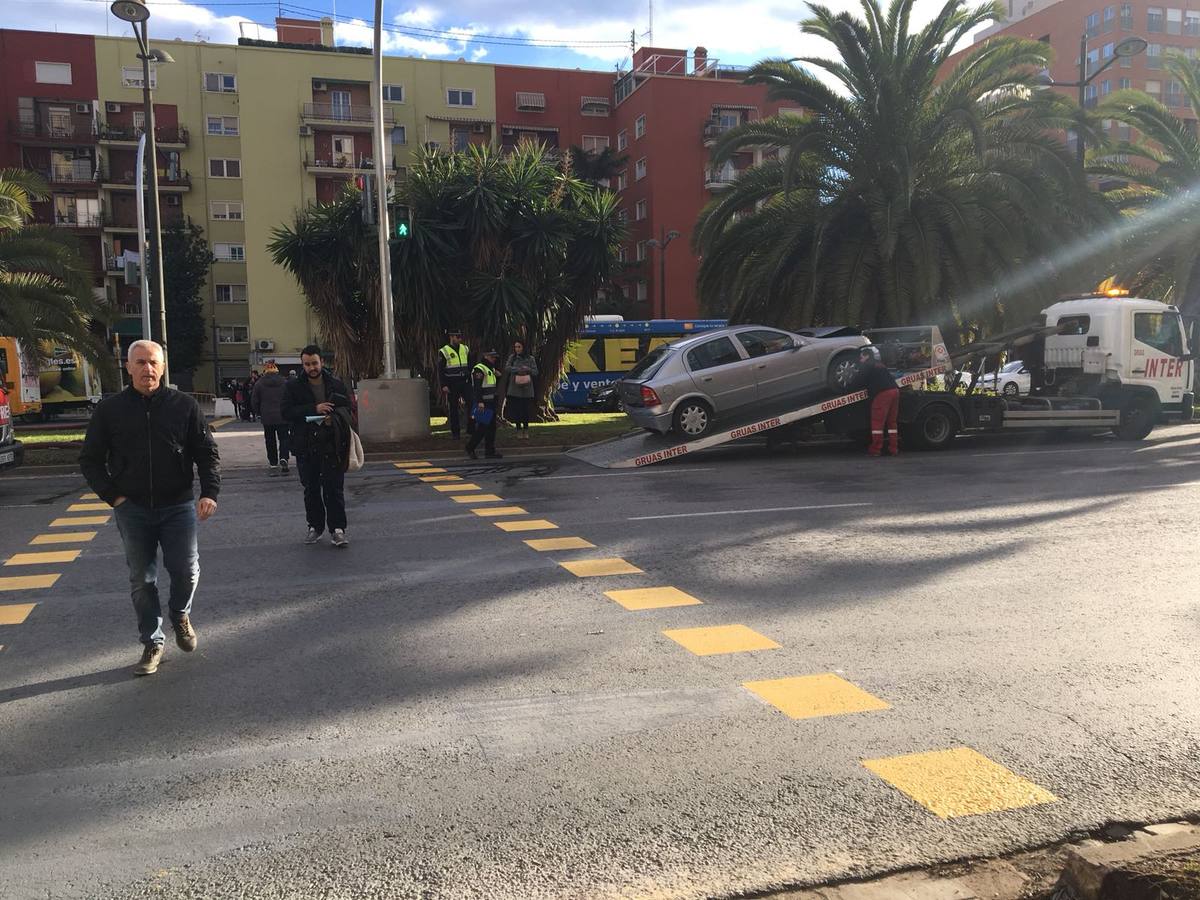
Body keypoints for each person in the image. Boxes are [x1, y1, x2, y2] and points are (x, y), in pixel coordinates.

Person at [79, 340, 221, 677]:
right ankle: (152, 641)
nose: (148, 369)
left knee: (186, 570)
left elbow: (206, 452)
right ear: (127, 367)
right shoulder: (110, 410)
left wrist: (209, 492)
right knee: (142, 580)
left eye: (153, 362)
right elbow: (90, 460)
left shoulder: (183, 406)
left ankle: (179, 613)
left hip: (179, 505)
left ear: (163, 366)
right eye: (140, 362)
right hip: (133, 509)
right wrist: (113, 497)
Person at [281, 345, 353, 547]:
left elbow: (349, 410)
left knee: (334, 489)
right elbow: (286, 412)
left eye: (314, 363)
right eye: (307, 364)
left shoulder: (336, 384)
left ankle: (338, 529)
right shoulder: (292, 387)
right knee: (311, 489)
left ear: (322, 362)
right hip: (306, 445)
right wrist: (314, 409)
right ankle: (315, 527)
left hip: (332, 444)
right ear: (302, 364)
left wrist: (334, 418)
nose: (311, 367)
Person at [855, 345, 901, 457]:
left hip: (882, 394)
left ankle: (876, 449)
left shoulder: (867, 365)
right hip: (894, 391)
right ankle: (893, 448)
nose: (860, 360)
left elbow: (858, 381)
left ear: (866, 356)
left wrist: (847, 388)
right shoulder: (880, 364)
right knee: (892, 422)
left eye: (861, 357)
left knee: (877, 423)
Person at [251, 361, 290, 476]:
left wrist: (258, 412)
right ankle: (284, 457)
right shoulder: (284, 382)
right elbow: (289, 397)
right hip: (282, 416)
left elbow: (254, 400)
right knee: (284, 438)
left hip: (267, 417)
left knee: (270, 439)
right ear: (277, 371)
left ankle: (273, 461)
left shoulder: (259, 383)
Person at [465, 349, 503, 460]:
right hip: (483, 403)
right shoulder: (479, 369)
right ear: (485, 356)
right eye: (492, 357)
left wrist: (498, 376)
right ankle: (470, 447)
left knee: (491, 428)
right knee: (482, 428)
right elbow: (477, 387)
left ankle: (489, 451)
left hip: (490, 402)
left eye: (495, 357)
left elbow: (492, 385)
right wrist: (480, 402)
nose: (494, 359)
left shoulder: (490, 369)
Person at [438, 329, 471, 440]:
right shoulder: (444, 351)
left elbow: (470, 364)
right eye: (457, 337)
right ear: (451, 337)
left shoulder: (465, 348)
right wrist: (444, 385)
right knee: (453, 408)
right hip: (452, 383)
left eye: (460, 337)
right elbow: (441, 370)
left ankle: (471, 429)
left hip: (465, 381)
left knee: (472, 404)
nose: (460, 339)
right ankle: (455, 433)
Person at [503, 340, 538, 440]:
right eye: (515, 347)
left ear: (523, 347)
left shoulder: (530, 358)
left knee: (526, 411)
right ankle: (518, 430)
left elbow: (535, 372)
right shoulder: (512, 358)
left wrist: (528, 369)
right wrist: (517, 369)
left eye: (519, 347)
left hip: (527, 388)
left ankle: (526, 430)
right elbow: (507, 368)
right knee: (517, 411)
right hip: (515, 388)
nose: (517, 349)